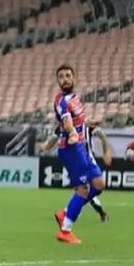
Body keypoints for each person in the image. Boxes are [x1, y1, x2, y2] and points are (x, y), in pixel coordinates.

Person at [51, 64, 106, 245]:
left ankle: (66, 212)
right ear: (58, 81)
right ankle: (65, 231)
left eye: (68, 75)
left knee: (99, 183)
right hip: (71, 148)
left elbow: (79, 119)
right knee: (83, 189)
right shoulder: (61, 101)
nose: (65, 79)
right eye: (61, 76)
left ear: (74, 78)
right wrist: (73, 133)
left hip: (81, 147)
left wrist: (90, 123)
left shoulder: (75, 98)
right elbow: (67, 121)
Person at [38, 119, 111, 222]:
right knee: (88, 188)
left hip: (82, 160)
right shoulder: (64, 126)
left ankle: (69, 213)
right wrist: (44, 147)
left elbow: (101, 135)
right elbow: (53, 140)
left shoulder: (83, 123)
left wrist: (106, 152)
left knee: (89, 188)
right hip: (81, 159)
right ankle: (69, 215)